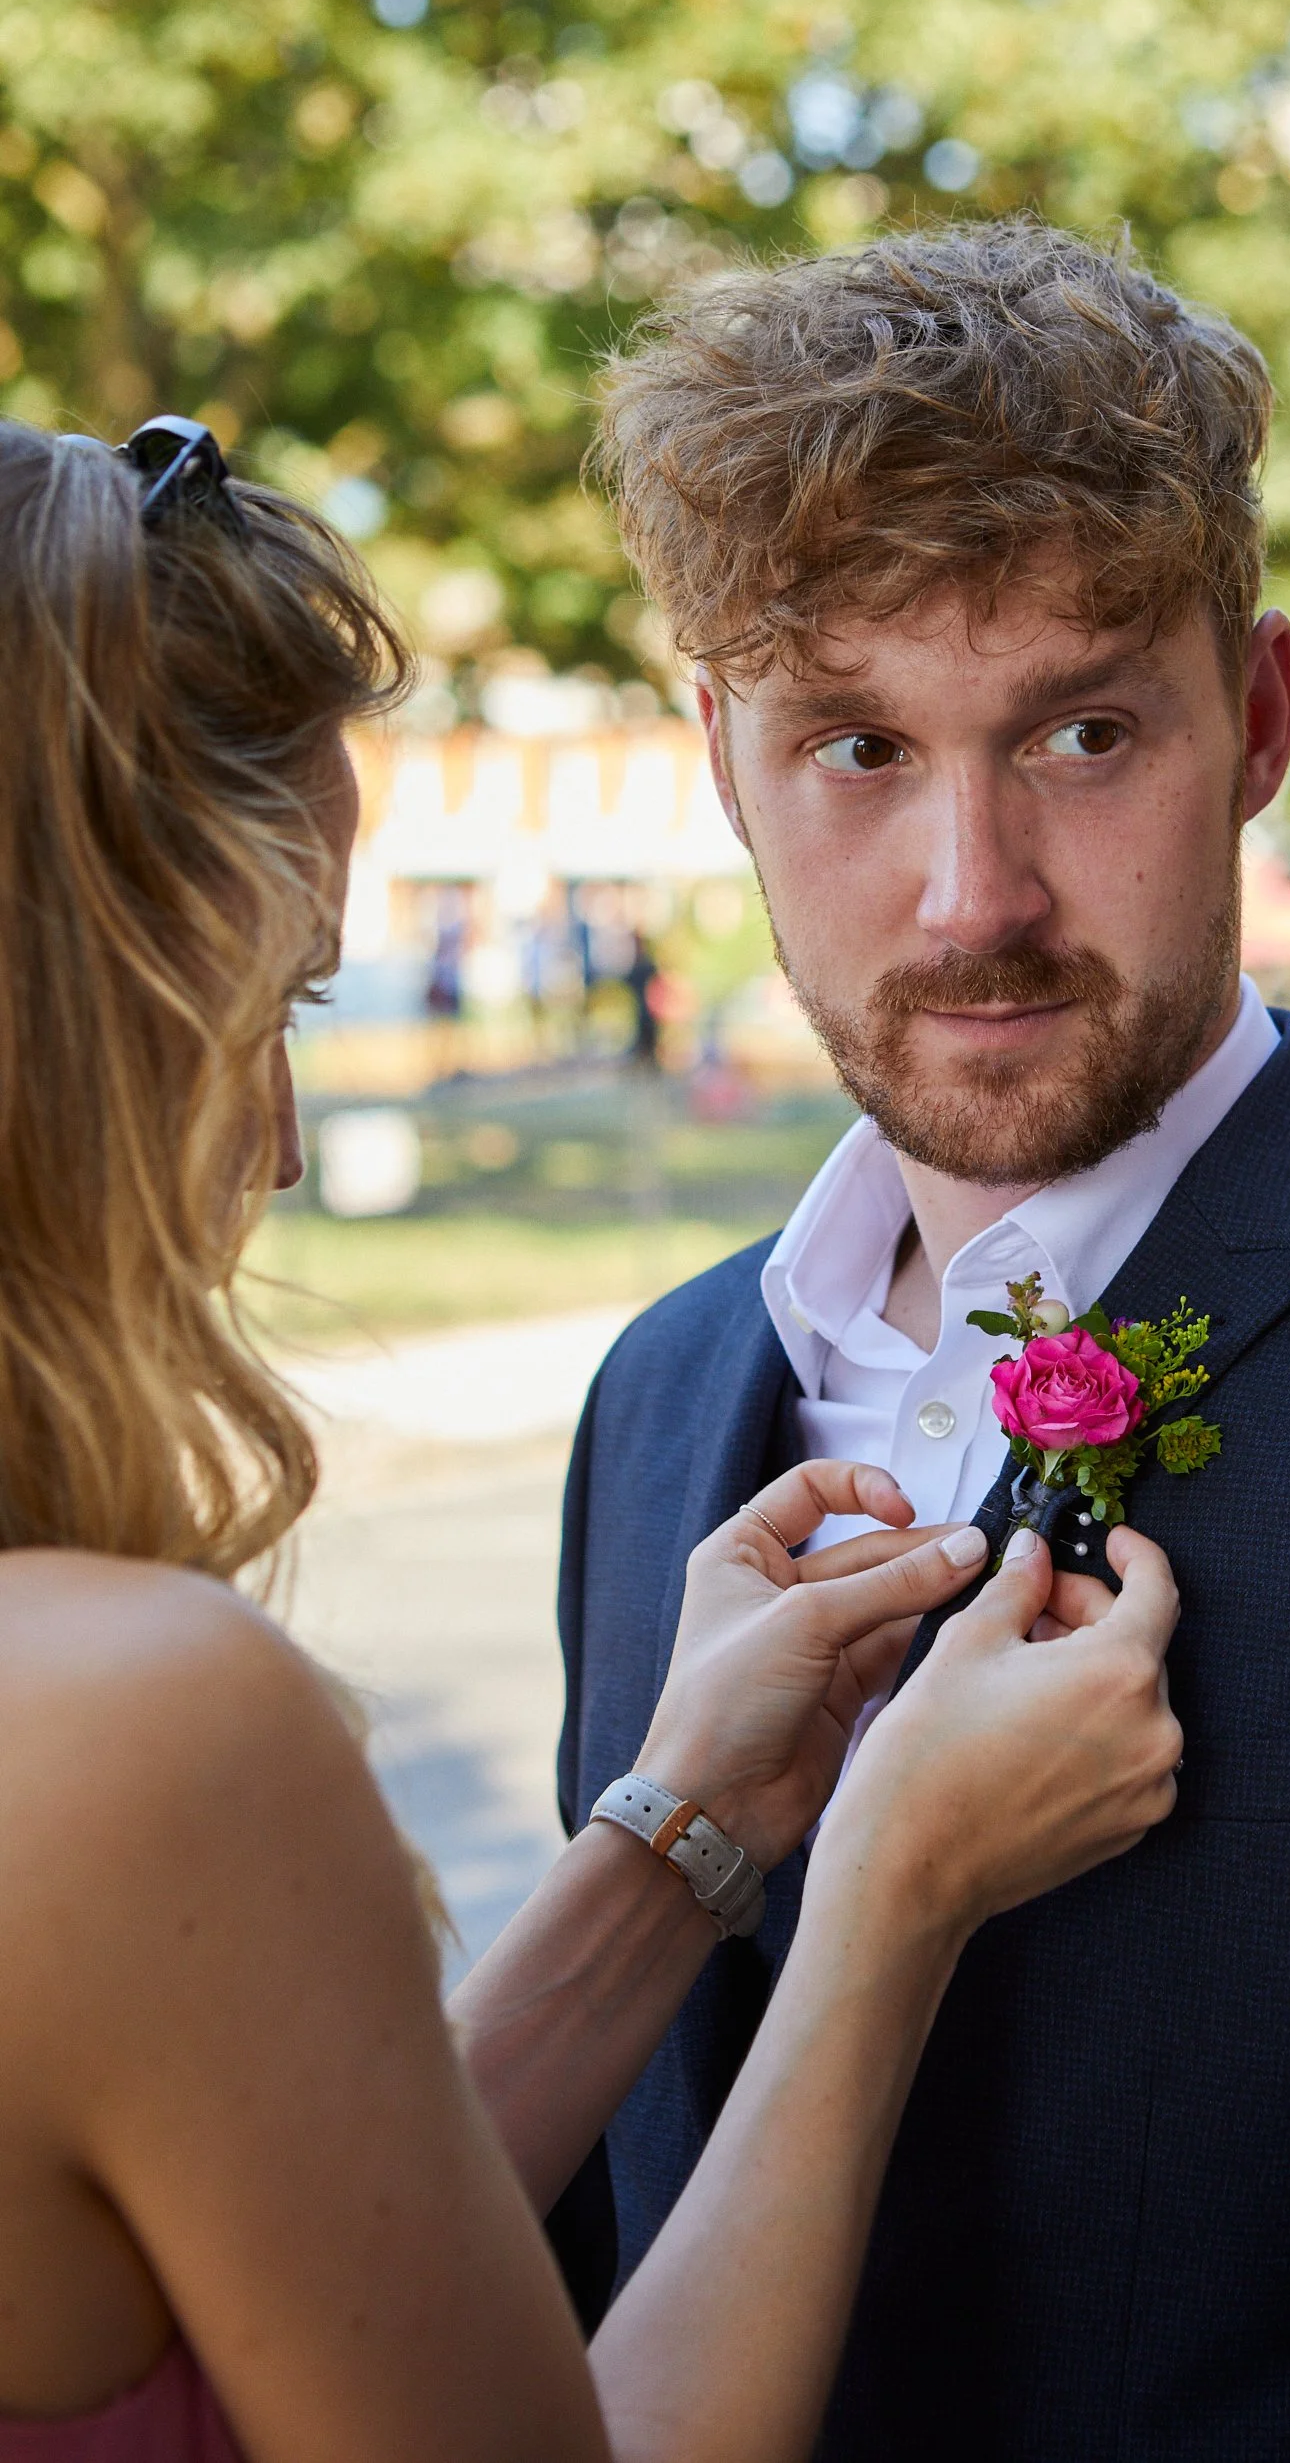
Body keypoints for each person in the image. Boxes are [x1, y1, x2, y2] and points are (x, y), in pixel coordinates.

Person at [553, 223, 1290, 2457]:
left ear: (1264, 718)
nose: (971, 890)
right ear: (722, 762)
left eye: (1084, 731)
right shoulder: (654, 1403)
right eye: (856, 746)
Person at [0, 413, 1185, 2459]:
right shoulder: (134, 1730)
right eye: (268, 1010)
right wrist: (887, 1894)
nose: (275, 1140)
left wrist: (676, 1839)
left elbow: (279, 2234)